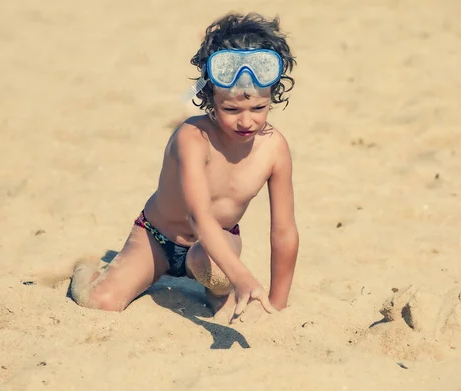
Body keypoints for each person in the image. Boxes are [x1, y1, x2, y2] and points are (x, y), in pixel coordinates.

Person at [69, 12, 299, 324]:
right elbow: (198, 216)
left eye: (259, 108)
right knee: (102, 302)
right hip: (156, 237)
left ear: (274, 95)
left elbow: (284, 231)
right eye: (231, 109)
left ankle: (218, 291)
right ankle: (85, 268)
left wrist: (278, 306)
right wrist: (244, 276)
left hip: (216, 244)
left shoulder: (274, 148)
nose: (247, 121)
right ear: (208, 96)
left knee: (216, 271)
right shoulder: (193, 137)